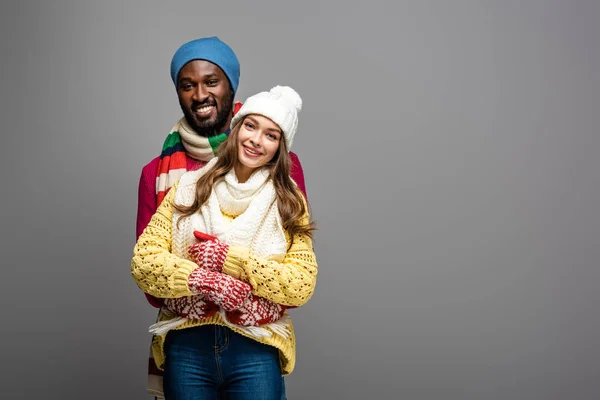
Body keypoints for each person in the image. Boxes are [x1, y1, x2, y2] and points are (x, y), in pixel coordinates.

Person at [136, 36, 308, 398]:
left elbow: (296, 281)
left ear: (231, 86)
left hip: (255, 340)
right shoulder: (172, 180)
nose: (200, 95)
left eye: (211, 82)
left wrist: (231, 264)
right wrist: (204, 281)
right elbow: (149, 277)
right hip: (186, 341)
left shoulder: (284, 181)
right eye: (188, 85)